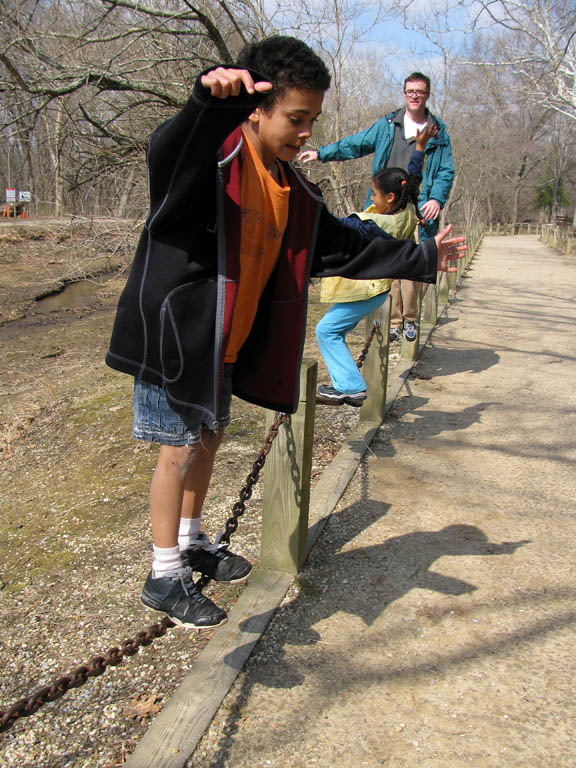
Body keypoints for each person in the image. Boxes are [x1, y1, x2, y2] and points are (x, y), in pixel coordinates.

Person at [105, 37, 465, 629]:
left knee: (210, 438)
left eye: (312, 122)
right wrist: (205, 102)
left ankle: (192, 539)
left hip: (225, 345)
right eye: (296, 120)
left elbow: (349, 246)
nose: (305, 134)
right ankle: (163, 575)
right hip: (176, 341)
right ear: (256, 108)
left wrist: (422, 259)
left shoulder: (291, 191)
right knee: (178, 451)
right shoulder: (212, 160)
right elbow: (165, 153)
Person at [299, 72, 454, 343]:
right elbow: (356, 143)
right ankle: (392, 322)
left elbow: (443, 172)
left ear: (427, 94)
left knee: (414, 263)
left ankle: (410, 319)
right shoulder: (388, 125)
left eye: (419, 91)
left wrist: (436, 199)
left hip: (416, 210)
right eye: (410, 91)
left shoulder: (437, 134)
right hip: (383, 208)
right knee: (386, 264)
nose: (414, 95)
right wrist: (322, 153)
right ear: (404, 94)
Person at [316, 124, 436, 406]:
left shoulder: (382, 223)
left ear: (390, 198)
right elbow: (413, 179)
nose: (372, 199)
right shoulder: (407, 207)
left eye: (375, 195)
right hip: (375, 290)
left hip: (367, 289)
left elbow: (347, 226)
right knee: (334, 330)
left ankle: (350, 386)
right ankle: (345, 382)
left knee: (326, 331)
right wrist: (419, 148)